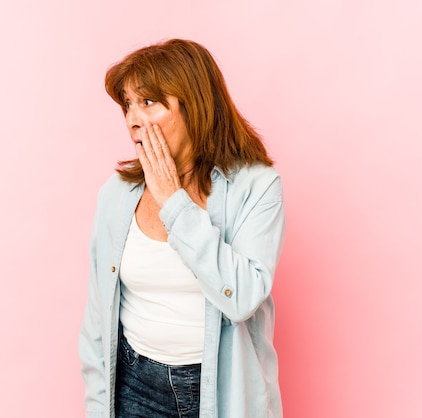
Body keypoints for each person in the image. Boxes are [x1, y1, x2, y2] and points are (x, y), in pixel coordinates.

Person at [79, 39, 285, 418]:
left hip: (220, 390)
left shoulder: (257, 187)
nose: (133, 119)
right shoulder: (116, 194)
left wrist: (174, 203)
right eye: (128, 104)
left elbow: (241, 298)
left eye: (148, 102)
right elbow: (97, 317)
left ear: (193, 106)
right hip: (134, 385)